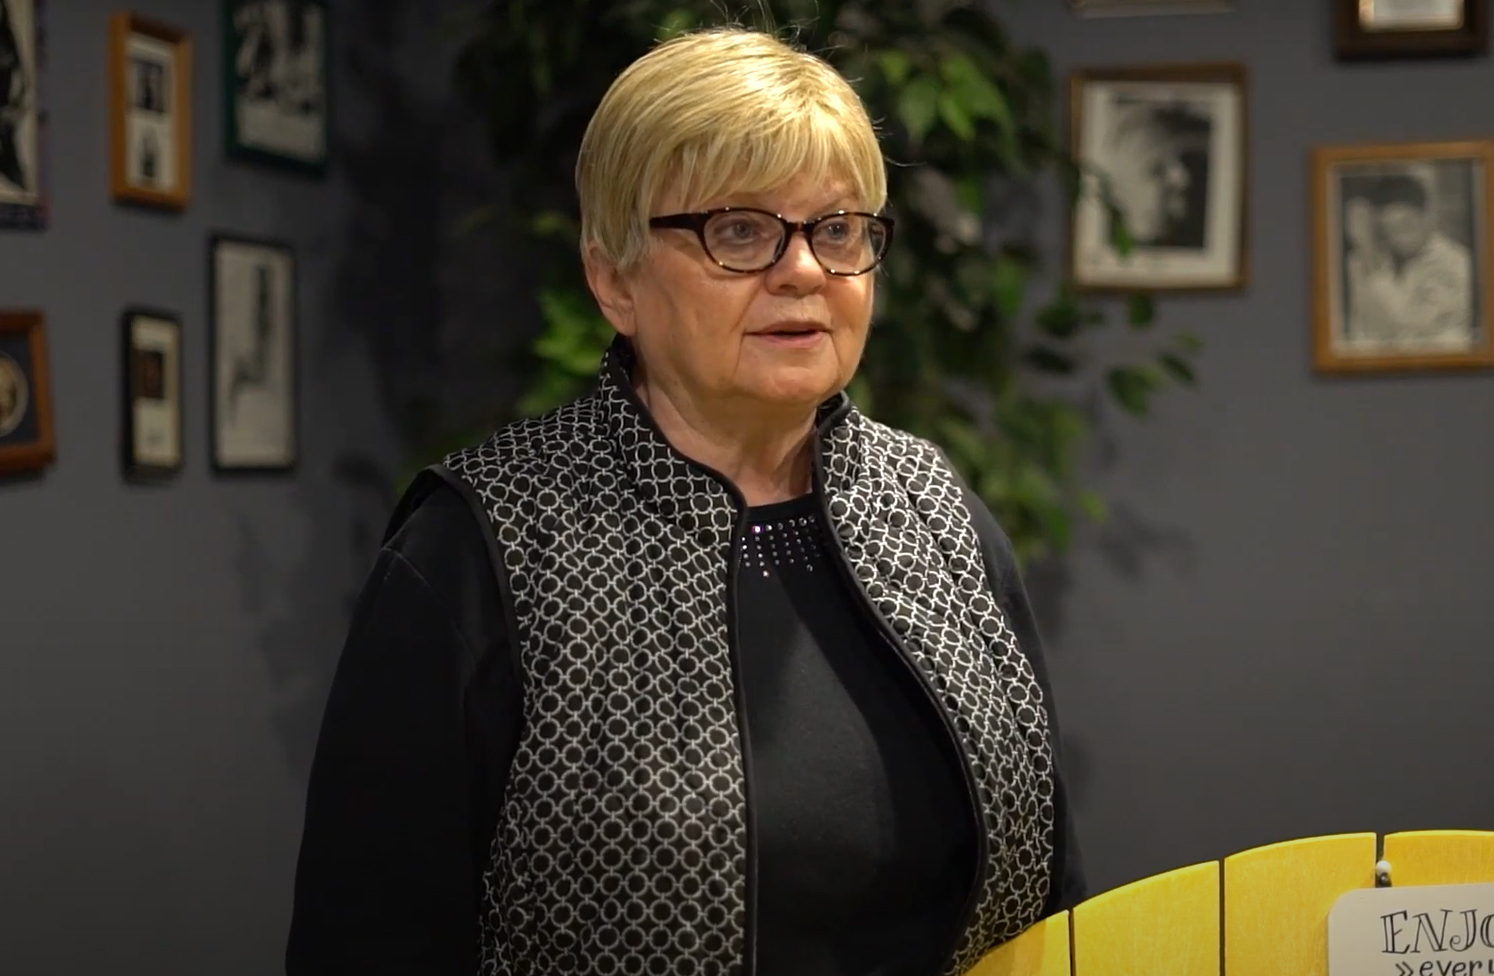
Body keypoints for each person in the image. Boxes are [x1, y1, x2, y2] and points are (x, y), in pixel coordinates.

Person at [285, 26, 1086, 976]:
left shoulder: (937, 511)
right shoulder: (483, 545)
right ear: (613, 278)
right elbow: (366, 943)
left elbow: (1052, 906)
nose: (802, 270)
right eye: (739, 230)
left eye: (836, 229)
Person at [1347, 171, 1474, 348]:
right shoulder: (1378, 262)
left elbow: (1411, 324)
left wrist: (1369, 256)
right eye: (1388, 230)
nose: (1398, 239)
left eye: (1405, 225)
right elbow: (1362, 332)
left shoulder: (1456, 263)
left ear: (1426, 216)